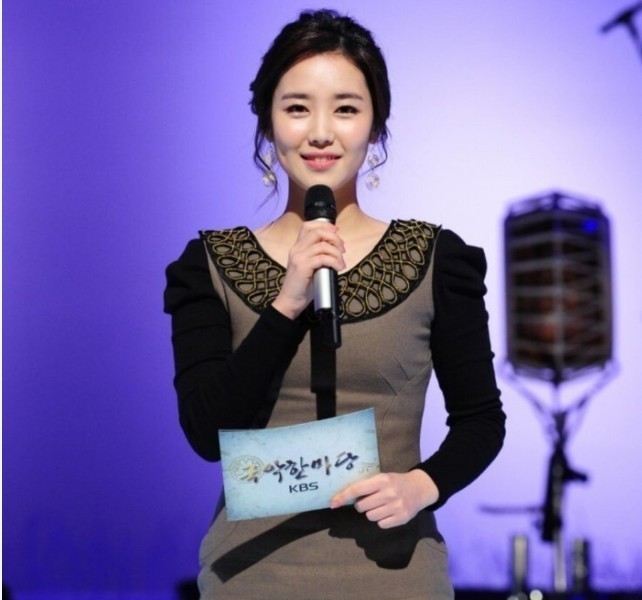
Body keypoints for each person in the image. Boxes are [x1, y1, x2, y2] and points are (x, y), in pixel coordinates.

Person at [164, 9, 505, 599]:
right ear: (268, 122)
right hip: (252, 577)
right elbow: (206, 432)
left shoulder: (435, 259)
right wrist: (285, 303)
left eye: (346, 109)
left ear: (376, 125)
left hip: (395, 575)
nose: (321, 132)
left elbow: (481, 420)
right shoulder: (209, 264)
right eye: (297, 108)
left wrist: (423, 485)